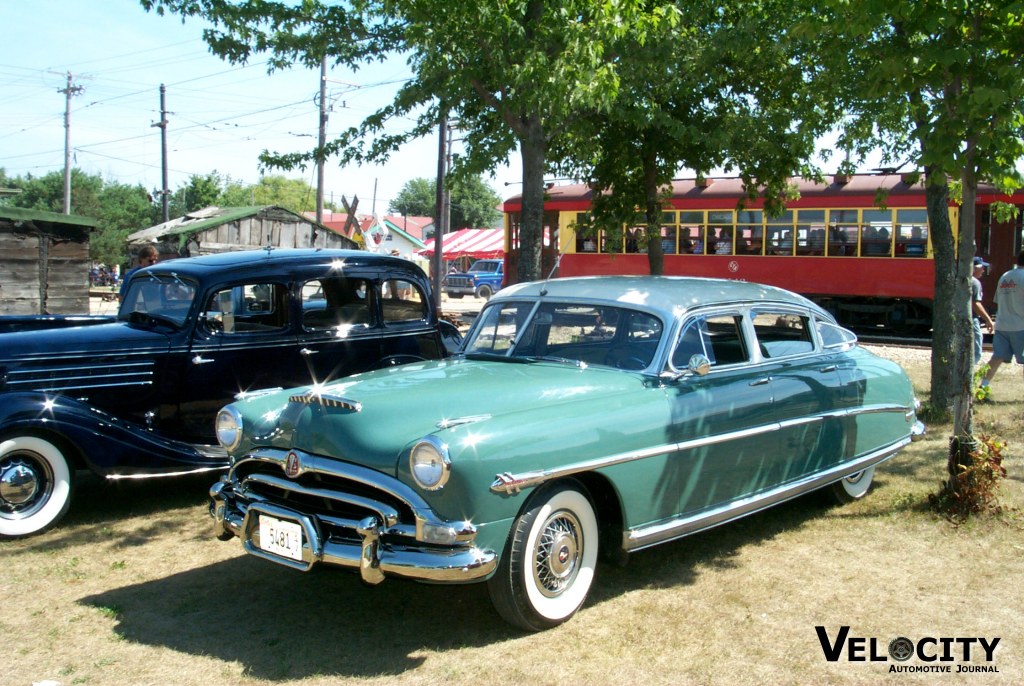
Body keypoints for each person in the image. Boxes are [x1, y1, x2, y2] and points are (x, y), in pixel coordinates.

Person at [980, 249, 1024, 393]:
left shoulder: (1005, 276)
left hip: (1002, 325)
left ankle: (983, 386)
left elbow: (998, 301)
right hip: (1020, 326)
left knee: (997, 357)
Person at [971, 257, 995, 365]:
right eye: (982, 268)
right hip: (972, 319)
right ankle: (969, 372)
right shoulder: (975, 283)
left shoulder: (959, 280)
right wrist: (988, 320)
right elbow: (975, 304)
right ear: (974, 268)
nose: (983, 270)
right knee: (976, 352)